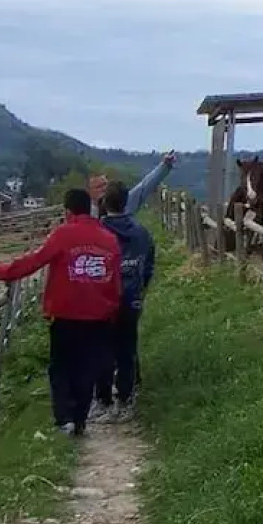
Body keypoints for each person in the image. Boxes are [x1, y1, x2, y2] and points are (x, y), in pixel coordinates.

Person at [0, 188, 121, 436]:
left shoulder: (63, 235)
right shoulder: (109, 239)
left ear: (67, 211)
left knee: (61, 366)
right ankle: (79, 420)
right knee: (86, 368)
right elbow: (114, 282)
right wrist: (110, 311)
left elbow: (33, 261)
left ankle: (64, 420)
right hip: (98, 316)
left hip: (66, 314)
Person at [90, 179, 156, 423]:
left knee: (102, 351)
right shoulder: (141, 233)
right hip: (131, 298)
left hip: (102, 301)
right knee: (127, 349)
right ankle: (126, 401)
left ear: (104, 204)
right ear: (126, 201)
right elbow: (149, 263)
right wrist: (141, 287)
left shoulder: (97, 233)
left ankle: (103, 401)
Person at [89, 152, 177, 219]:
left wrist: (164, 166)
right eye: (99, 187)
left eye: (105, 185)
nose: (104, 189)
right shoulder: (84, 213)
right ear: (89, 191)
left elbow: (143, 187)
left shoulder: (124, 203)